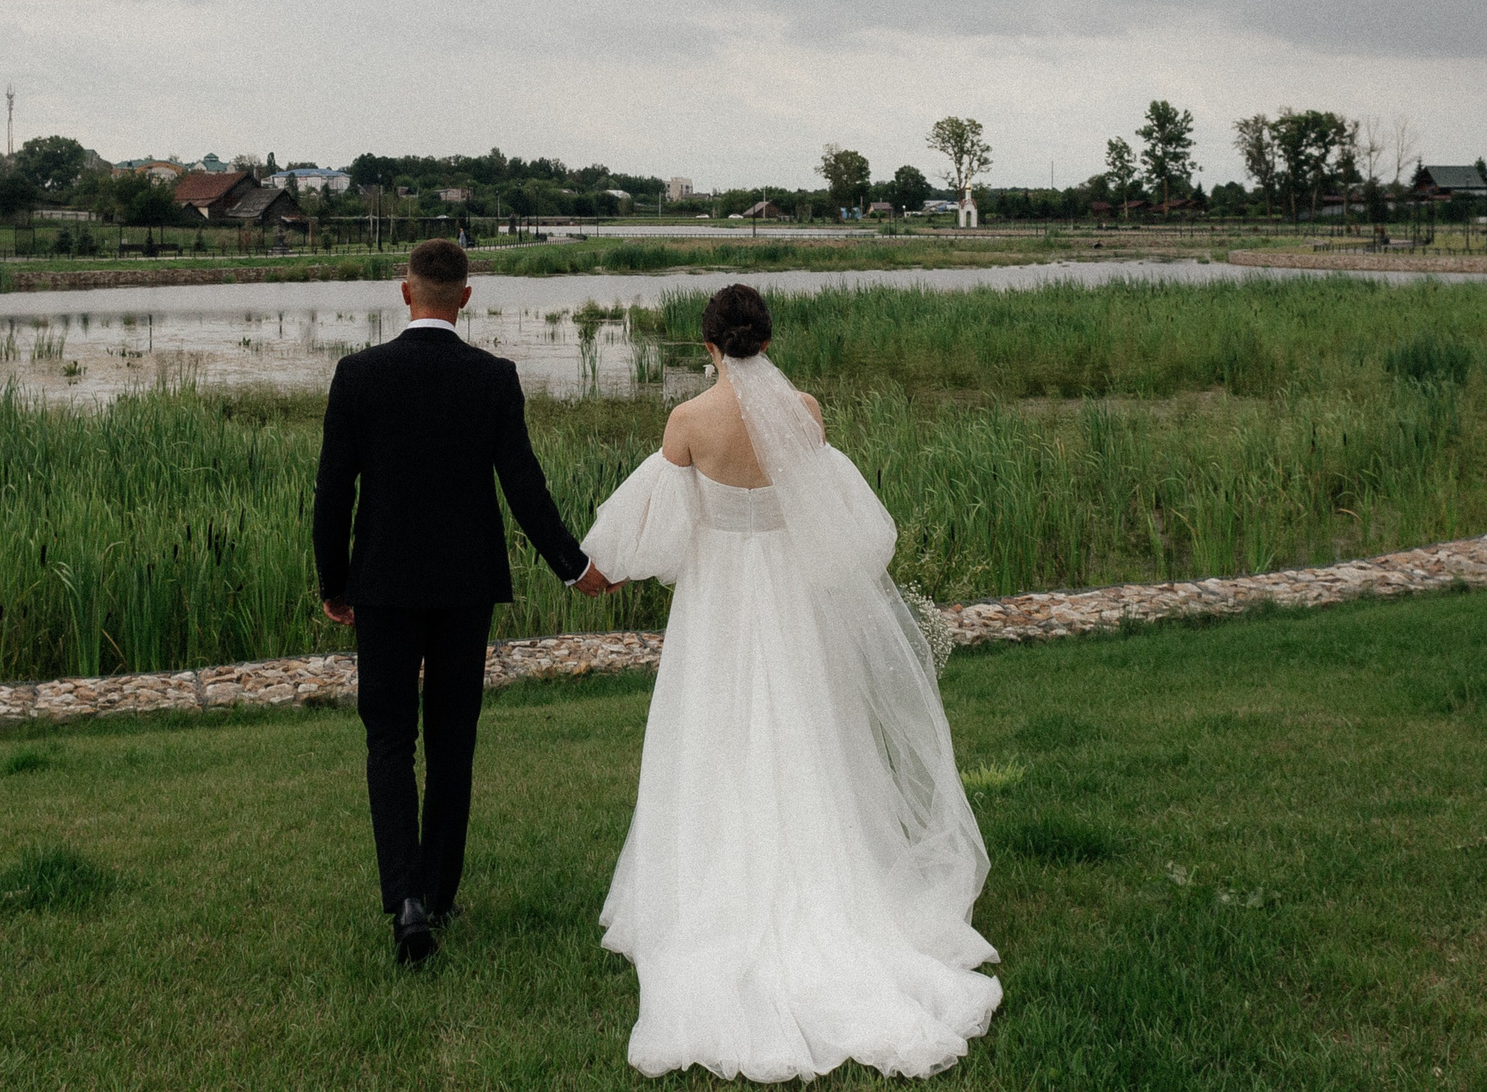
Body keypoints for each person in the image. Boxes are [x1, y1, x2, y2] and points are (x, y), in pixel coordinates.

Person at [582, 283, 1000, 1078]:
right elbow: (844, 522)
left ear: (707, 345)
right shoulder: (803, 412)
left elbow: (658, 534)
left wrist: (596, 567)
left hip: (718, 606)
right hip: (790, 598)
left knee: (714, 734)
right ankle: (829, 883)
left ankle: (712, 891)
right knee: (807, 728)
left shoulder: (688, 423)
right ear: (766, 343)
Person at [312, 238, 614, 965]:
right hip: (464, 586)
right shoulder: (493, 378)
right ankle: (437, 895)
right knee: (452, 740)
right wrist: (575, 567)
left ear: (405, 291)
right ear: (466, 297)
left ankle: (406, 897)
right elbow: (524, 487)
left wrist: (333, 581)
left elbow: (332, 491)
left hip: (381, 584)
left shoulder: (358, 375)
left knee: (389, 737)